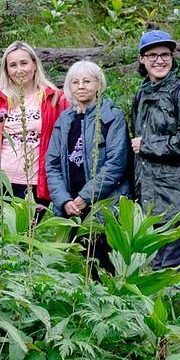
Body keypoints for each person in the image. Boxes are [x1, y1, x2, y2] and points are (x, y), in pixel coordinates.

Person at [127, 29, 180, 272]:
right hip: (150, 201)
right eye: (152, 55)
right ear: (142, 59)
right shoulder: (142, 94)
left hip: (178, 201)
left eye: (165, 54)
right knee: (156, 271)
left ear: (172, 57)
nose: (159, 60)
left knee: (174, 273)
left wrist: (148, 146)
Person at [43, 60, 130, 270]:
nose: (80, 86)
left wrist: (85, 197)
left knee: (102, 268)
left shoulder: (112, 118)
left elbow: (116, 164)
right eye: (75, 82)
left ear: (99, 85)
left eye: (87, 81)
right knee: (73, 268)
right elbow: (52, 164)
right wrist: (64, 200)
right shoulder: (64, 120)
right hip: (69, 208)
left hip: (102, 207)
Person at [0, 41, 67, 206]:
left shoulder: (55, 99)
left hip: (38, 184)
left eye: (24, 63)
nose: (19, 70)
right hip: (0, 183)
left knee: (34, 231)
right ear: (7, 71)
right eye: (13, 65)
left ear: (35, 64)